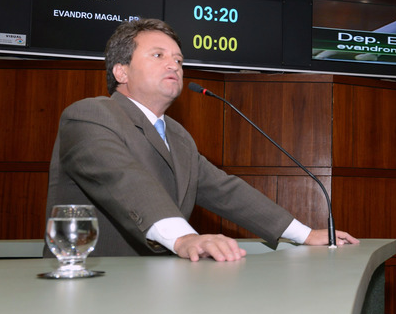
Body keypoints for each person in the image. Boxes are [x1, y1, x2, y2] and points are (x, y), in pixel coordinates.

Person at [46, 19, 358, 260]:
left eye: (179, 60)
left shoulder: (177, 135)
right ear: (121, 72)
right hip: (94, 286)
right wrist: (185, 238)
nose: (174, 65)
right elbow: (125, 179)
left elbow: (226, 191)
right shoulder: (90, 115)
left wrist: (304, 235)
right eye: (158, 55)